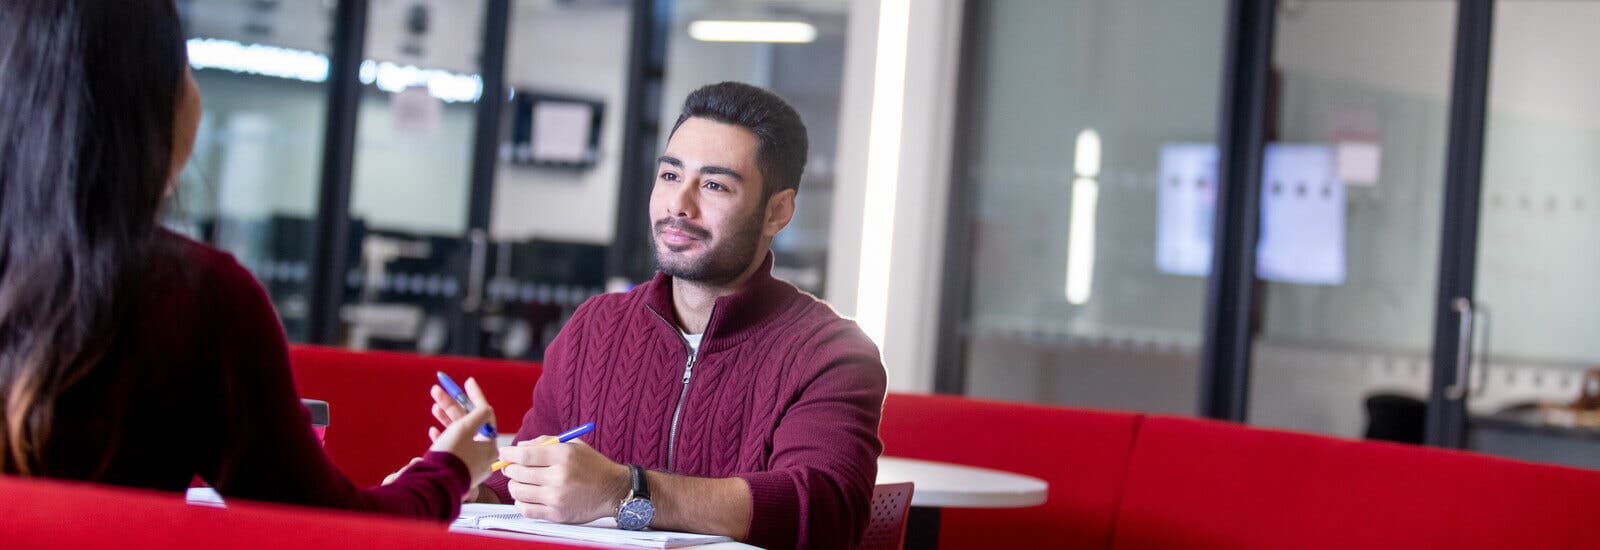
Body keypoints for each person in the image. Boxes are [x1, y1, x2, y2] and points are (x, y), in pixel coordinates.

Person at [0, 0, 497, 520]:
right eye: (184, 69)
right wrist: (451, 467)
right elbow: (325, 528)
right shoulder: (198, 299)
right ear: (148, 106)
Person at [429, 82, 887, 548]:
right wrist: (471, 488)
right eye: (670, 176)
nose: (679, 206)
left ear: (777, 212)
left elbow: (824, 508)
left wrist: (625, 490)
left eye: (713, 185)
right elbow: (529, 494)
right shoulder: (594, 327)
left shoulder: (832, 353)